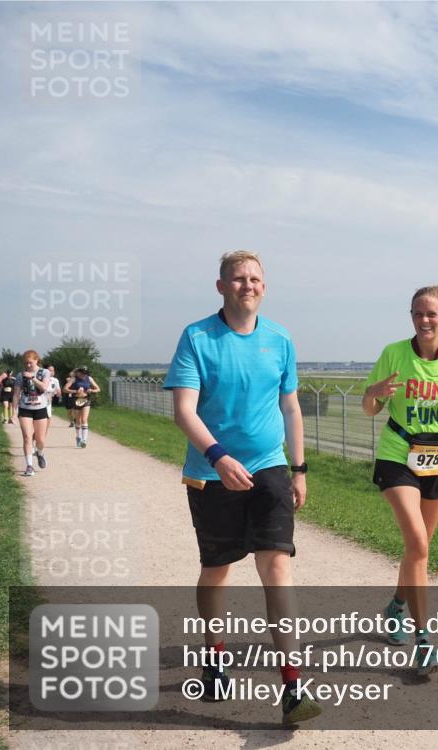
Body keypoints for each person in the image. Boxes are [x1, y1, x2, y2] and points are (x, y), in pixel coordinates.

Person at [163, 250, 321, 725]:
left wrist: (299, 468)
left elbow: (291, 408)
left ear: (264, 287)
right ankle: (215, 655)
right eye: (237, 279)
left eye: (254, 278)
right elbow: (184, 411)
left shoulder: (280, 339)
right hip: (212, 472)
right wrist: (218, 455)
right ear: (221, 287)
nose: (246, 285)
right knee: (217, 570)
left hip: (270, 468)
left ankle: (292, 686)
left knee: (276, 568)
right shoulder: (196, 337)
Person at [362, 285, 438, 677]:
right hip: (398, 455)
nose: (424, 320)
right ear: (411, 317)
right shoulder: (393, 354)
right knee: (416, 543)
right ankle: (424, 640)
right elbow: (369, 409)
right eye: (418, 313)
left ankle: (396, 605)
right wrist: (374, 393)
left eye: (431, 313)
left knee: (419, 550)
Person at [11, 351, 51, 476]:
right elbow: (16, 394)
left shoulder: (44, 372)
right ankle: (29, 466)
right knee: (27, 437)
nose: (28, 365)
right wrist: (13, 412)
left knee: (40, 440)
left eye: (30, 362)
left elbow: (44, 388)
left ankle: (40, 453)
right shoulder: (20, 375)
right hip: (25, 409)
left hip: (40, 409)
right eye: (26, 363)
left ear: (36, 360)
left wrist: (32, 378)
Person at [64, 367, 100, 448]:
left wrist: (92, 390)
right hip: (76, 400)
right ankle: (78, 438)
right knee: (78, 421)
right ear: (78, 373)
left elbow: (98, 389)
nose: (84, 374)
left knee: (84, 419)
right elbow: (65, 389)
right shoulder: (73, 379)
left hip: (86, 399)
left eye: (85, 373)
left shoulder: (89, 378)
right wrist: (75, 391)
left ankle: (84, 440)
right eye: (82, 373)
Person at [42, 365, 62, 436]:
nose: (52, 372)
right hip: (40, 399)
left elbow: (58, 390)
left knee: (48, 417)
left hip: (48, 401)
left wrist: (58, 394)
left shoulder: (55, 380)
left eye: (53, 370)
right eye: (50, 370)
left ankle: (44, 434)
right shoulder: (41, 378)